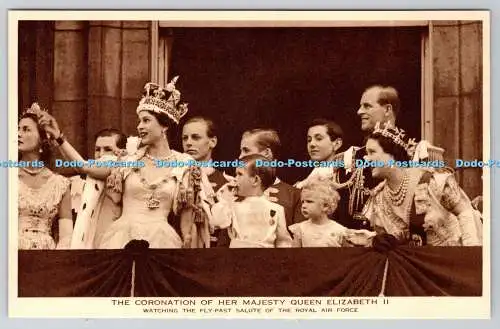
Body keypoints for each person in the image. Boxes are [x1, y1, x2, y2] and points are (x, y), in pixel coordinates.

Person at [40, 76, 215, 249]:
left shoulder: (183, 165)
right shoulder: (127, 160)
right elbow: (84, 166)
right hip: (122, 238)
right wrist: (58, 137)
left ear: (164, 127)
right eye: (139, 121)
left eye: (146, 120)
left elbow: (187, 222)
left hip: (162, 242)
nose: (139, 126)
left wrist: (187, 243)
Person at [332, 85, 444, 230]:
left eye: (367, 106)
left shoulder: (420, 153)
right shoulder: (348, 157)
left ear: (387, 109)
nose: (359, 111)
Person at [359, 122, 482, 247]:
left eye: (372, 152)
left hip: (454, 258)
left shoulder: (431, 180)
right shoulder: (379, 199)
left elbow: (465, 212)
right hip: (417, 263)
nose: (366, 158)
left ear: (392, 155)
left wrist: (469, 254)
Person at [17, 104, 73, 249]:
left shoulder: (60, 184)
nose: (18, 134)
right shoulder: (7, 178)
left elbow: (66, 237)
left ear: (42, 140)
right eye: (17, 129)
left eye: (26, 129)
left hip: (47, 258)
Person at [211, 154, 293, 248]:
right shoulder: (232, 206)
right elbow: (217, 222)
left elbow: (283, 242)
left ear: (255, 180)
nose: (235, 179)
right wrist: (225, 199)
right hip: (236, 258)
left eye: (239, 174)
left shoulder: (276, 209)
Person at [239, 128, 304, 227]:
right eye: (241, 151)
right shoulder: (237, 191)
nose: (240, 157)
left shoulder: (295, 196)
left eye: (246, 150)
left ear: (266, 153)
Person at [182, 116, 229, 247]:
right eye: (185, 138)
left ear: (212, 142)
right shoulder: (175, 179)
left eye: (195, 137)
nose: (188, 143)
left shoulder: (227, 183)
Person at [289, 176, 349, 247]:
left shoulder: (339, 231)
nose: (304, 206)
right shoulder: (300, 229)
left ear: (325, 206)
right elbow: (294, 255)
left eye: (309, 201)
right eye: (303, 202)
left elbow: (347, 255)